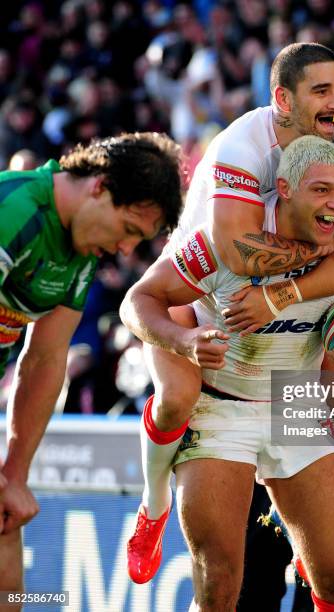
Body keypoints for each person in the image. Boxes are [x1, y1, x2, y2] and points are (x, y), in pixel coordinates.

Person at [121, 136, 334, 611]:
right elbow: (137, 300)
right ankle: (152, 505)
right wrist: (184, 342)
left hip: (295, 407)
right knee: (222, 588)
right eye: (322, 190)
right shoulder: (226, 241)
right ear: (282, 188)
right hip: (220, 410)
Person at [125, 42, 334, 576]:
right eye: (322, 90)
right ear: (282, 99)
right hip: (195, 295)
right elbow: (236, 250)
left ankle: (301, 506)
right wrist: (320, 252)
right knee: (178, 396)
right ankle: (152, 507)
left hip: (269, 334)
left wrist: (285, 294)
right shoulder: (241, 143)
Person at [0, 131, 183, 608]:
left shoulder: (79, 254)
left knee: (5, 551)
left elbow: (43, 358)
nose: (125, 250)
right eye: (127, 229)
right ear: (98, 187)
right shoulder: (13, 211)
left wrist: (14, 475)